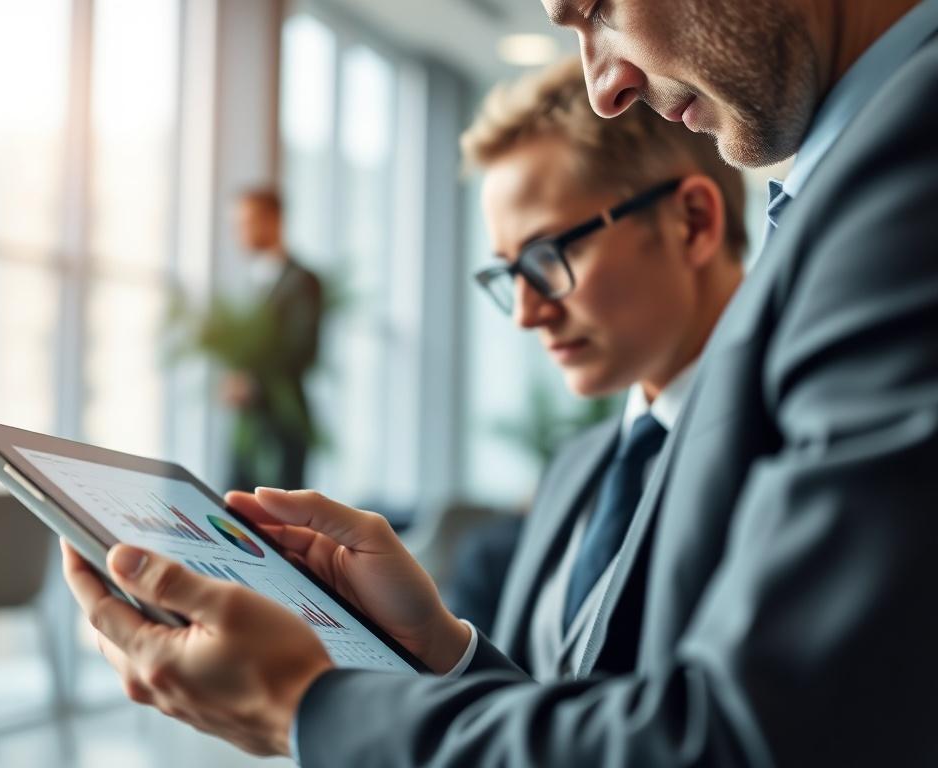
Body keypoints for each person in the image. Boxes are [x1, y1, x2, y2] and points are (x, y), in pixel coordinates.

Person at [63, 0, 938, 764]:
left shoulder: (900, 173)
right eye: (506, 274)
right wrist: (441, 653)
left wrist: (302, 705)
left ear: (693, 225)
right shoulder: (594, 463)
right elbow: (622, 712)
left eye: (597, 8)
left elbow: (751, 734)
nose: (604, 85)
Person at [447, 57, 746, 658]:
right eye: (510, 273)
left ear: (691, 223)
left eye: (547, 256)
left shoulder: (795, 437)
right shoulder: (575, 469)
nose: (526, 314)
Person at [222, 187, 323, 491]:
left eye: (247, 222)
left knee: (281, 505)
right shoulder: (249, 283)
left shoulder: (303, 281)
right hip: (248, 421)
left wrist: (253, 383)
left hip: (284, 420)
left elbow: (304, 349)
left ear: (274, 221)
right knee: (235, 501)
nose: (240, 233)